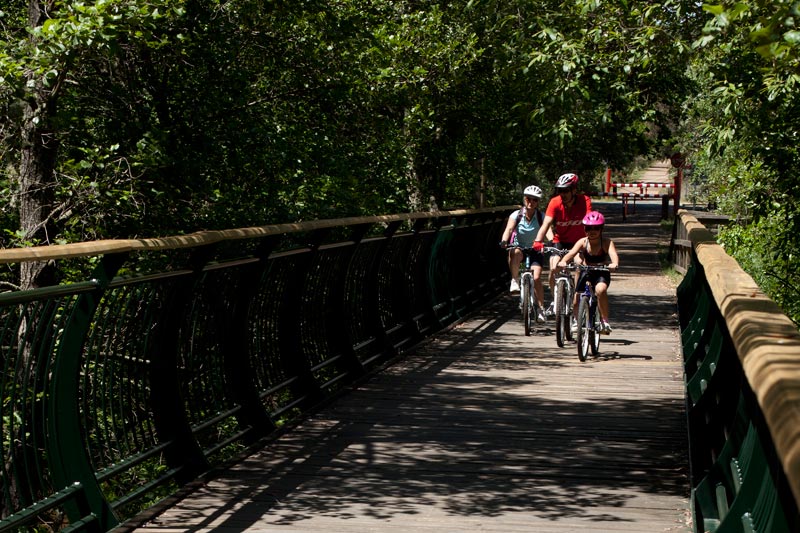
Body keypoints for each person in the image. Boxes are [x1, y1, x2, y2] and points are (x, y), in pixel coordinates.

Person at [532, 173, 593, 316]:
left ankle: (577, 301)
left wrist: (592, 244)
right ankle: (556, 299)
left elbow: (590, 222)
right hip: (560, 241)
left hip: (579, 242)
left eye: (566, 190)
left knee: (580, 265)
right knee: (554, 267)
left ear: (574, 190)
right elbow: (546, 224)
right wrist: (538, 241)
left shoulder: (585, 200)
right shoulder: (554, 202)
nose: (563, 194)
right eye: (560, 190)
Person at [558, 210, 619, 334]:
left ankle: (604, 321)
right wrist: (563, 261)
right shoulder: (583, 242)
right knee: (577, 298)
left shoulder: (607, 242)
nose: (592, 231)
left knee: (600, 290)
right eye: (588, 228)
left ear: (601, 229)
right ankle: (576, 320)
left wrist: (614, 264)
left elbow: (613, 254)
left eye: (595, 228)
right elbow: (571, 253)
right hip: (586, 271)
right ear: (584, 229)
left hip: (601, 272)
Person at [499, 185, 550, 322]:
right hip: (520, 247)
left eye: (535, 200)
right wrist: (504, 241)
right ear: (524, 199)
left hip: (535, 250)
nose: (531, 202)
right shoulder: (516, 215)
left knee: (537, 278)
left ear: (538, 202)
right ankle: (515, 279)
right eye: (528, 198)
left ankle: (540, 309)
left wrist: (552, 243)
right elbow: (509, 229)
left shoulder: (541, 217)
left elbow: (549, 232)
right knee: (514, 252)